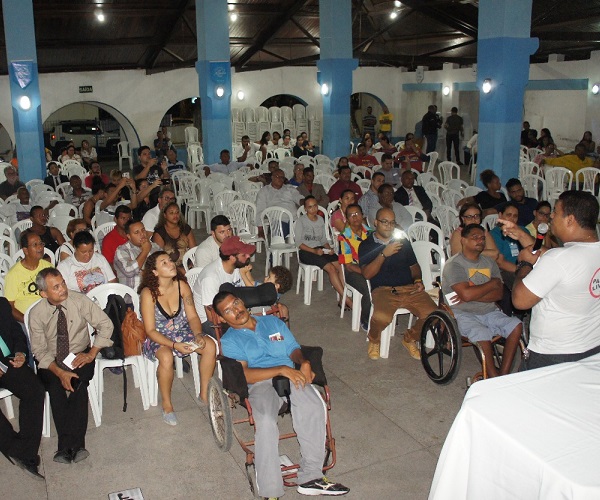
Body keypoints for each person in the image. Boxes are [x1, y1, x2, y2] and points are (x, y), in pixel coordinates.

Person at [214, 291, 350, 499]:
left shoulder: (272, 322)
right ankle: (270, 492)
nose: (236, 310)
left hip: (291, 375)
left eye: (236, 303)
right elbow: (245, 374)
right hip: (260, 384)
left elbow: (292, 348)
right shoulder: (230, 340)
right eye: (228, 311)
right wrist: (280, 369)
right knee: (266, 423)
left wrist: (303, 362)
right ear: (223, 319)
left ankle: (311, 477)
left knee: (314, 406)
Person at [503, 191, 600, 370]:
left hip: (552, 355)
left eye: (555, 211)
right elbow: (555, 259)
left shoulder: (557, 259)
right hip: (592, 348)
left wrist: (524, 264)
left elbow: (520, 300)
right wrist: (521, 235)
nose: (551, 216)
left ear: (570, 220)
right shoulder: (584, 253)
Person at [28, 268, 113, 464]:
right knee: (55, 388)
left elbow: (106, 324)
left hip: (79, 354)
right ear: (44, 293)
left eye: (63, 283)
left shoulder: (79, 300)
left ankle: (70, 446)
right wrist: (59, 372)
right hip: (51, 360)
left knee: (78, 385)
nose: (63, 289)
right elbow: (39, 351)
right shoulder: (37, 313)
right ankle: (72, 446)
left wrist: (92, 353)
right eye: (56, 287)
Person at [140, 252, 216, 425]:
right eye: (164, 263)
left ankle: (204, 394)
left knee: (210, 345)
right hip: (158, 337)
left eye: (170, 260)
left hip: (182, 331)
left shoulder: (182, 286)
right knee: (166, 357)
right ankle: (167, 405)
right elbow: (150, 330)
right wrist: (174, 345)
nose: (171, 264)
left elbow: (193, 317)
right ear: (155, 272)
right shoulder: (148, 293)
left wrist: (198, 335)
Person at [442, 224, 522, 377]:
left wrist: (472, 293)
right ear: (463, 240)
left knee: (516, 325)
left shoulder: (489, 263)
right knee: (482, 332)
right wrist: (491, 284)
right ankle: (492, 377)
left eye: (482, 238)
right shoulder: (454, 265)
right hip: (463, 313)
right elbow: (467, 294)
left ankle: (503, 374)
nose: (480, 241)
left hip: (489, 310)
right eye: (475, 237)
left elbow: (499, 294)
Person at [359, 208, 437, 360]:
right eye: (384, 222)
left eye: (392, 222)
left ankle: (410, 338)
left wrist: (418, 280)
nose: (389, 226)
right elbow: (367, 274)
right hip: (383, 290)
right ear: (376, 222)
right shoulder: (366, 245)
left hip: (409, 288)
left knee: (434, 314)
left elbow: (414, 266)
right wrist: (384, 254)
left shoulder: (403, 242)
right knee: (382, 318)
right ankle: (374, 339)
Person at [0, 297, 46, 480]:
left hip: (7, 361)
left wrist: (20, 353)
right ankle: (14, 448)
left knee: (34, 389)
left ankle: (25, 452)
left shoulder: (2, 304)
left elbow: (16, 332)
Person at [192, 236, 255, 335]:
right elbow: (212, 317)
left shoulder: (238, 266)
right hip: (210, 321)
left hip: (234, 309)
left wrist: (245, 273)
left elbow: (250, 291)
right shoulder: (211, 278)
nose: (248, 256)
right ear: (232, 258)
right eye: (244, 254)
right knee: (248, 334)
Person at [296, 196, 349, 308]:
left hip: (320, 249)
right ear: (305, 209)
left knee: (340, 266)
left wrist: (329, 249)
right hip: (306, 251)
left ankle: (342, 298)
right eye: (310, 207)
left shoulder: (320, 219)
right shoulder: (301, 221)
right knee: (331, 268)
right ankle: (347, 299)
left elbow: (323, 240)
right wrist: (314, 251)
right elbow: (298, 243)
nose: (313, 209)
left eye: (315, 206)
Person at [4, 231, 54, 323]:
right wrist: (27, 321)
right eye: (35, 245)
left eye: (41, 243)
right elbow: (9, 306)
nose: (40, 247)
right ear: (25, 250)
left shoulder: (48, 267)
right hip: (25, 319)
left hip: (49, 316)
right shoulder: (14, 274)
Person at [338, 203, 372, 331]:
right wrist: (365, 272)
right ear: (347, 219)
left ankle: (383, 314)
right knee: (369, 289)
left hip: (370, 266)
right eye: (351, 215)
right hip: (353, 270)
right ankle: (365, 319)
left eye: (357, 213)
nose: (355, 217)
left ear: (362, 215)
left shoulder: (371, 233)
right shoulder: (344, 237)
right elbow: (348, 265)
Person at [490, 202, 534, 289]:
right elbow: (500, 262)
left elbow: (534, 250)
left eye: (515, 216)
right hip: (508, 271)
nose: (512, 219)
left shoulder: (522, 230)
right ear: (500, 215)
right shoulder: (494, 234)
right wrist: (522, 271)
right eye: (508, 215)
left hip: (528, 267)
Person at [255, 168, 303, 238]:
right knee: (278, 238)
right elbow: (260, 210)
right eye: (277, 176)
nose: (280, 179)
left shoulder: (289, 188)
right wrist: (260, 230)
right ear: (272, 177)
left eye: (282, 177)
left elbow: (298, 197)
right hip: (278, 221)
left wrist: (305, 202)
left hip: (294, 220)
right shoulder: (264, 191)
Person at [114, 219, 161, 289]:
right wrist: (145, 251)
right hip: (134, 292)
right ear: (129, 236)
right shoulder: (122, 250)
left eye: (143, 230)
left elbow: (165, 266)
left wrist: (144, 272)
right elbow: (129, 271)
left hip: (157, 288)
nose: (142, 234)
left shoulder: (154, 246)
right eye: (137, 232)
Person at [152, 201, 196, 269]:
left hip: (187, 265)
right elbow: (159, 259)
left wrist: (191, 265)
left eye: (177, 212)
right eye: (171, 213)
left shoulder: (185, 228)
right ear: (165, 215)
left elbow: (193, 250)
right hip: (169, 268)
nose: (175, 215)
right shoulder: (160, 233)